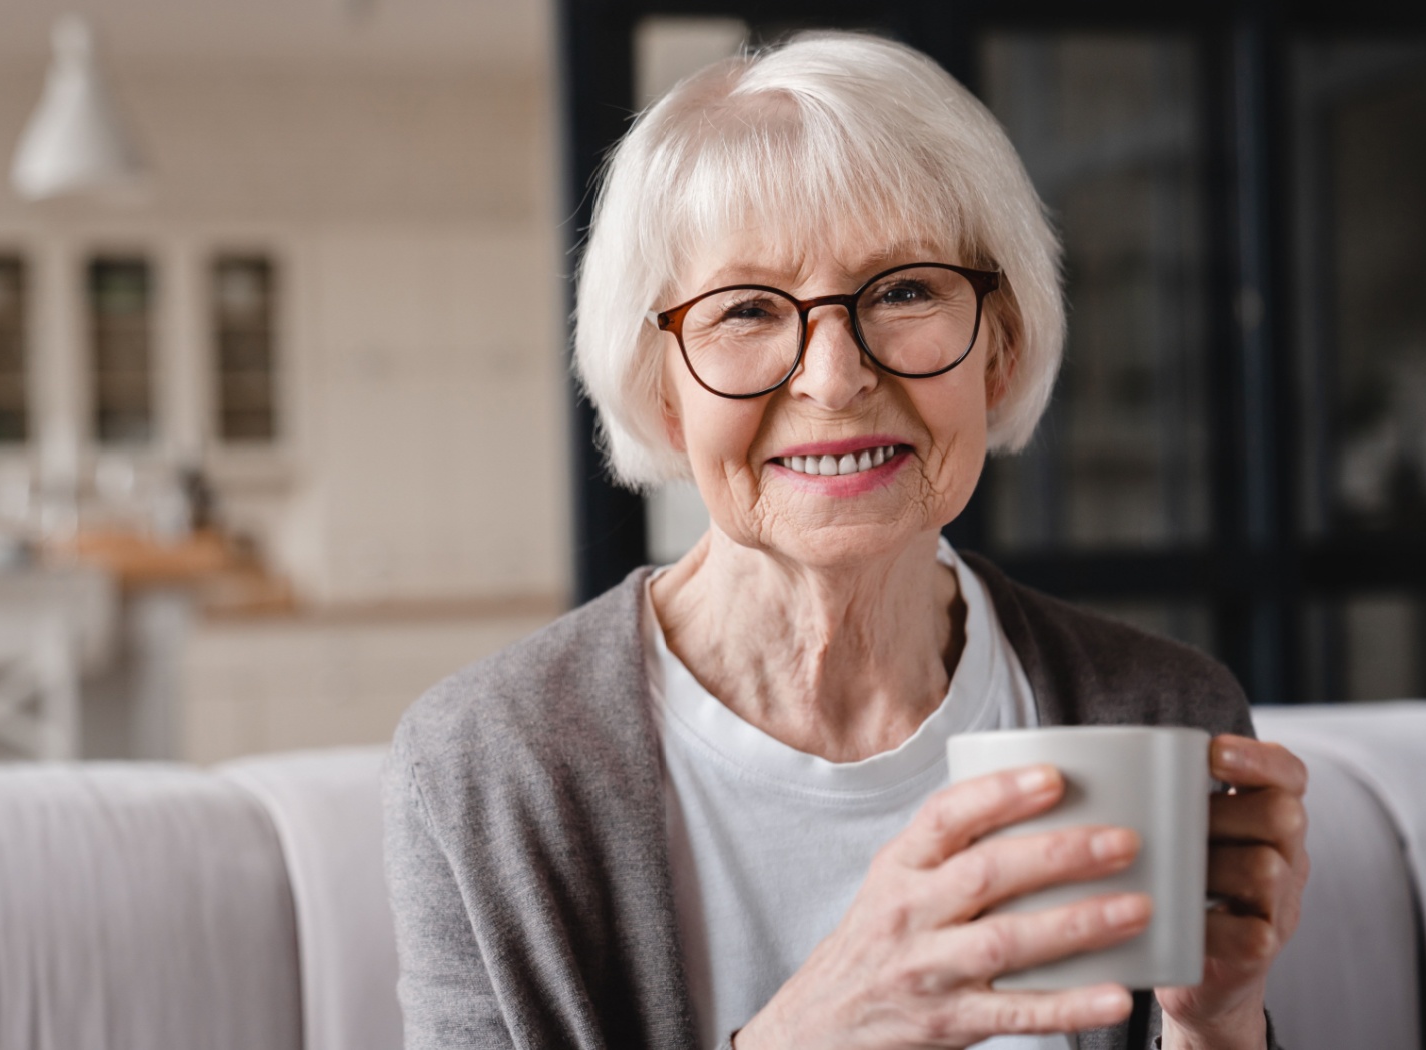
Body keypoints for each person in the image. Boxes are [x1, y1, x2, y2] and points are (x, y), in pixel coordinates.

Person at [384, 30, 1308, 1050]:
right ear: (661, 389)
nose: (833, 377)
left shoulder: (1161, 712)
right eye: (745, 309)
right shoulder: (489, 768)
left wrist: (1217, 1023)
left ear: (996, 350)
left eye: (904, 290)